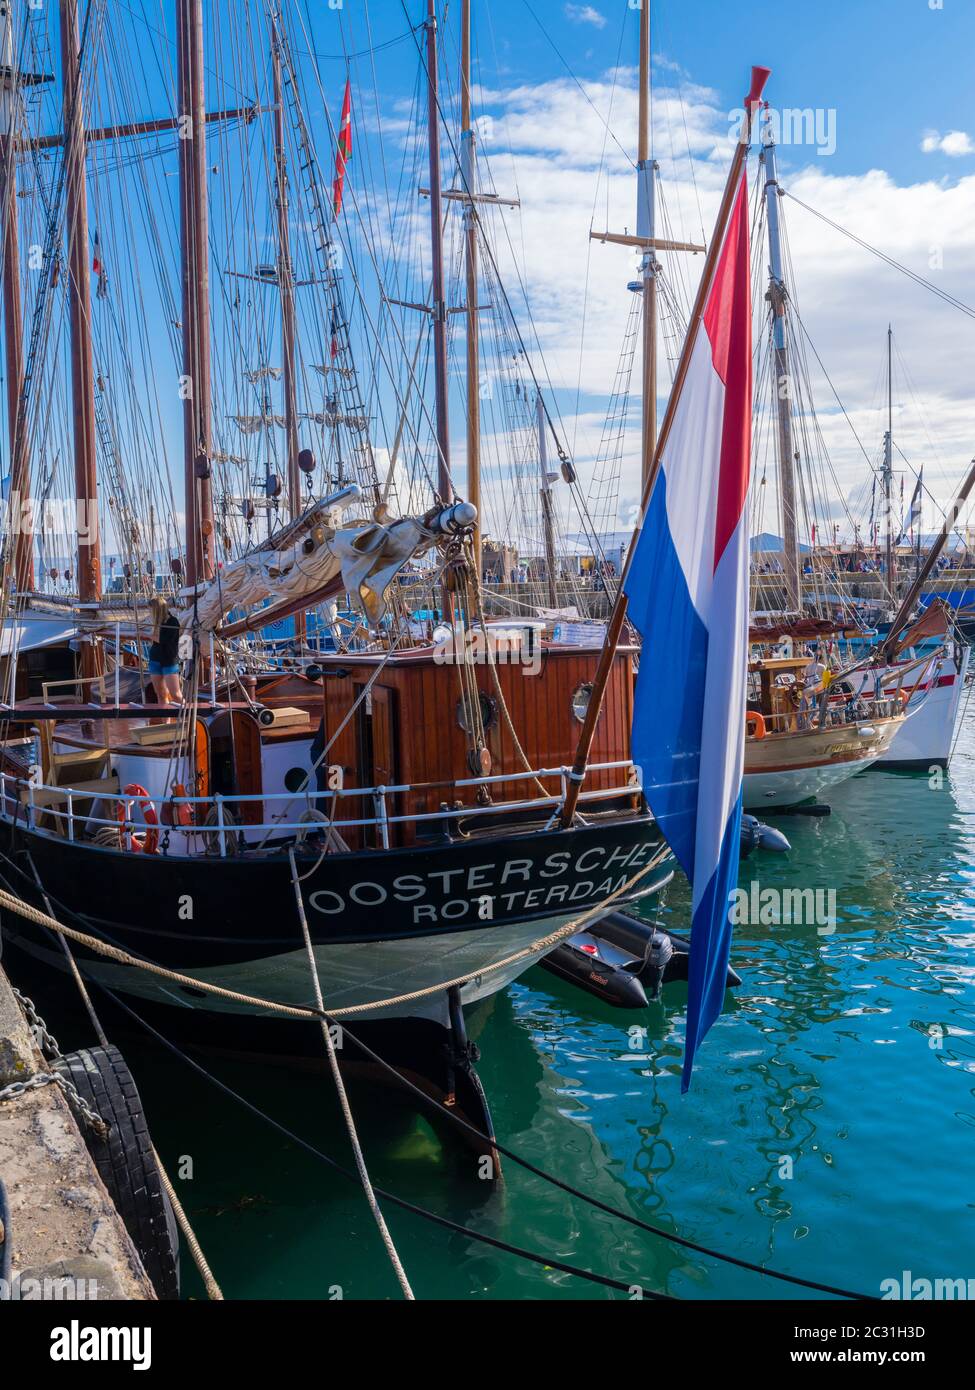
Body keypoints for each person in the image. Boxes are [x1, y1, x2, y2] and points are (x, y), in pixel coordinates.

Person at [148, 596, 182, 705]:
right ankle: (166, 722)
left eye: (151, 610)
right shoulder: (157, 623)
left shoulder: (173, 622)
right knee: (161, 694)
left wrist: (145, 635)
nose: (149, 613)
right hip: (155, 660)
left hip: (169, 661)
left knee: (175, 695)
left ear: (157, 610)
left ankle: (190, 718)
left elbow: (164, 640)